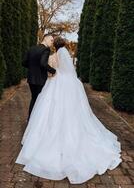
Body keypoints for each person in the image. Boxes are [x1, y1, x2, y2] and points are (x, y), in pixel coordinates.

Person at [15, 37, 122, 184]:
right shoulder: (64, 54)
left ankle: (40, 131)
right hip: (67, 82)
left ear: (55, 45)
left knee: (45, 106)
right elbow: (70, 71)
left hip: (54, 82)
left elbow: (45, 66)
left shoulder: (53, 55)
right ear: (64, 45)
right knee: (72, 109)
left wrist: (53, 72)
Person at [22, 34, 56, 121]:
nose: (52, 43)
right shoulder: (46, 49)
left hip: (31, 78)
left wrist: (32, 68)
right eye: (51, 40)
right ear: (45, 39)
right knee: (40, 100)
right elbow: (43, 63)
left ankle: (30, 119)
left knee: (34, 98)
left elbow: (24, 62)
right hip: (40, 79)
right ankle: (36, 121)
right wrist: (53, 70)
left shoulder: (31, 48)